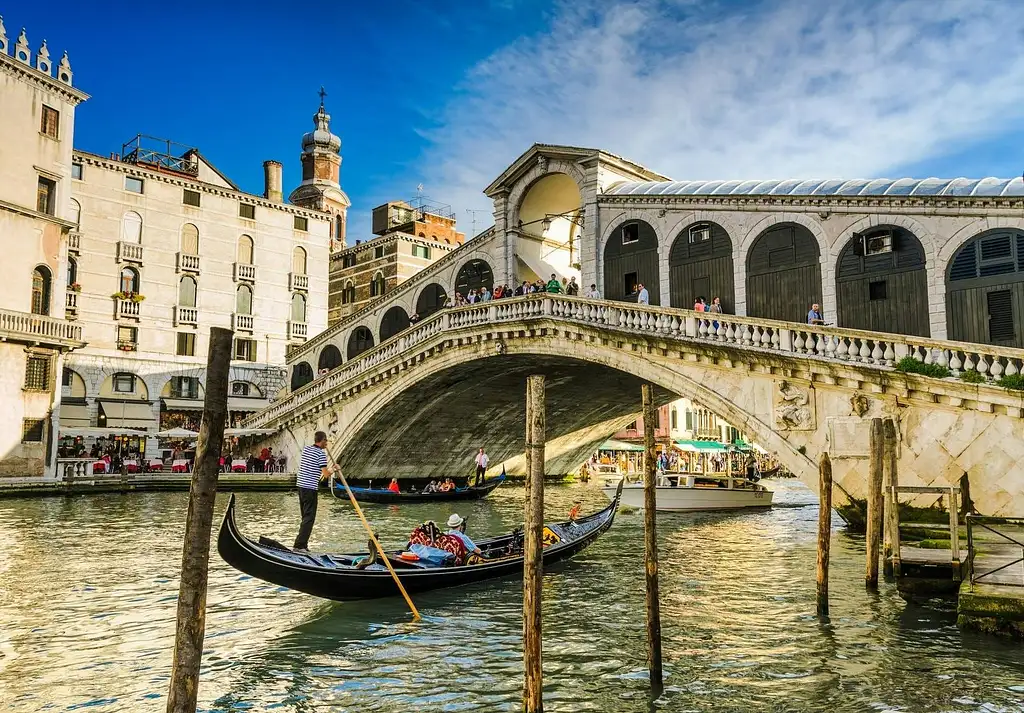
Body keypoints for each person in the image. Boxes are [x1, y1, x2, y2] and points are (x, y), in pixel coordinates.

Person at [293, 431, 338, 553]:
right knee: (309, 518)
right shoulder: (321, 454)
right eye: (326, 441)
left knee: (305, 517)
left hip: (301, 486)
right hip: (310, 488)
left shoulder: (307, 449)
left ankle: (303, 544)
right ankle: (299, 545)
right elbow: (326, 474)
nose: (326, 443)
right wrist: (334, 469)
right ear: (322, 440)